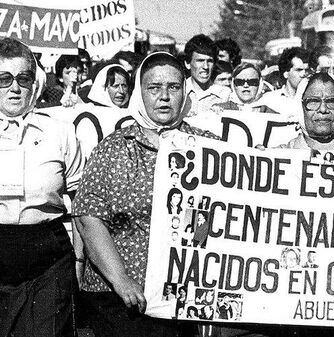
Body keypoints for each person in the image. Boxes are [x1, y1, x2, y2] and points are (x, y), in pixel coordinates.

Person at [72, 52, 220, 337]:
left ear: (185, 92)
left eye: (173, 87)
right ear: (140, 92)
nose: (164, 96)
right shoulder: (114, 149)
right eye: (154, 88)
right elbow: (88, 218)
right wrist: (122, 281)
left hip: (184, 301)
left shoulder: (208, 148)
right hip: (121, 301)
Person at [0, 38, 83, 337]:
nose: (15, 88)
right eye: (4, 79)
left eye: (23, 78)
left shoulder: (59, 131)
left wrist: (80, 261)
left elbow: (80, 203)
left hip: (46, 256)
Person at [276, 72, 334, 151]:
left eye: (332, 101)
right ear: (301, 107)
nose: (323, 109)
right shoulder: (281, 155)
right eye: (313, 102)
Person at [183, 34, 230, 116]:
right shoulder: (179, 92)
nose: (205, 66)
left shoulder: (225, 94)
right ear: (187, 63)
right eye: (200, 61)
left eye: (210, 61)